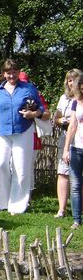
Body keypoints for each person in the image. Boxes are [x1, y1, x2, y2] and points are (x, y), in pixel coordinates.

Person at [0, 59, 44, 215]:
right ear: (3, 74)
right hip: (2, 133)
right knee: (1, 166)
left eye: (14, 72)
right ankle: (2, 202)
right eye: (8, 72)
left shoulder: (28, 88)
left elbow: (41, 107)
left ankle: (18, 204)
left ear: (18, 72)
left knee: (21, 168)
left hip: (23, 131)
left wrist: (33, 113)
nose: (11, 75)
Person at [53, 69, 83, 218]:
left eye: (75, 79)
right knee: (63, 172)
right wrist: (62, 120)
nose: (72, 83)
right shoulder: (64, 98)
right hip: (66, 136)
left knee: (78, 177)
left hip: (80, 138)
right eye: (69, 80)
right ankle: (62, 209)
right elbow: (56, 118)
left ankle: (79, 209)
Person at [17, 71, 51, 193]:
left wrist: (35, 113)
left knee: (28, 166)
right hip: (14, 134)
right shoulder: (8, 92)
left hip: (33, 135)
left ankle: (28, 195)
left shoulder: (35, 94)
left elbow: (47, 114)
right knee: (13, 166)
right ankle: (15, 194)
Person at [63, 75, 83, 229]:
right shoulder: (76, 102)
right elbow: (72, 126)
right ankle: (77, 220)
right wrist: (66, 149)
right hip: (77, 147)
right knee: (75, 184)